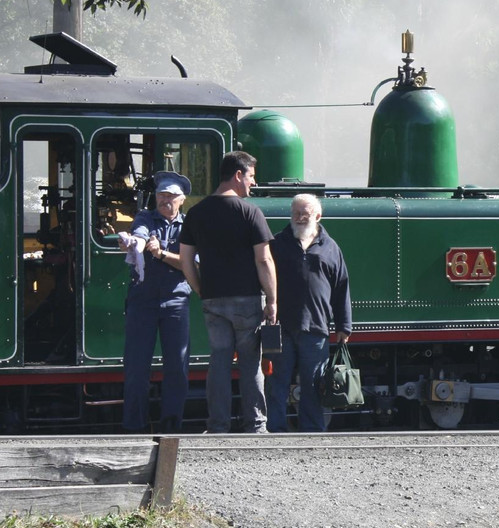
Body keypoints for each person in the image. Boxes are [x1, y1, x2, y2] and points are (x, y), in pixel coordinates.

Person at [179, 151, 277, 433]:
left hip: (213, 299)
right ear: (237, 175)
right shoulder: (250, 212)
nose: (253, 183)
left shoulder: (196, 213)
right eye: (251, 176)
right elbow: (264, 259)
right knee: (250, 364)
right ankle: (255, 425)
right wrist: (272, 299)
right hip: (247, 300)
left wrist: (201, 289)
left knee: (219, 362)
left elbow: (186, 260)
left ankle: (218, 425)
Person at [267, 194, 353, 433]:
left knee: (314, 385)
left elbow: (341, 286)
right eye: (296, 212)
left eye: (304, 213)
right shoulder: (277, 243)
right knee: (276, 383)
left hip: (316, 327)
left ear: (318, 215)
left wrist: (344, 326)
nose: (299, 217)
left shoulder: (331, 247)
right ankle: (274, 429)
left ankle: (312, 431)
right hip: (279, 327)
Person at [119, 171, 192, 433]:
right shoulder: (145, 217)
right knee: (137, 368)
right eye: (161, 195)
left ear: (181, 199)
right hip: (143, 302)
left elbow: (190, 263)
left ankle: (172, 429)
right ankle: (133, 429)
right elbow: (138, 233)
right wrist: (134, 243)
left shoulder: (189, 226)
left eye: (171, 196)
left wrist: (160, 254)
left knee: (177, 369)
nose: (165, 200)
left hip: (176, 301)